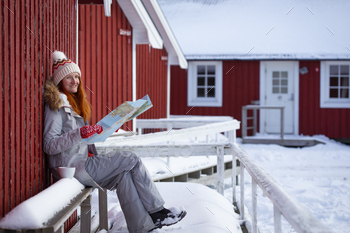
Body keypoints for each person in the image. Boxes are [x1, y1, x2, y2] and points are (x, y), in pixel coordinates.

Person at [43, 51, 186, 233]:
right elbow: (49, 145)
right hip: (71, 168)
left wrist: (101, 131)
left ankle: (143, 228)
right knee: (131, 159)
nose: (75, 81)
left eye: (77, 76)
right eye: (69, 77)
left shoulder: (74, 105)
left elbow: (80, 139)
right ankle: (157, 211)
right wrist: (79, 134)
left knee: (123, 176)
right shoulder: (55, 107)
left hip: (83, 164)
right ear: (60, 81)